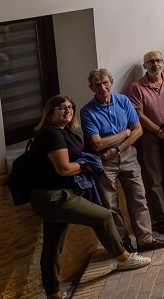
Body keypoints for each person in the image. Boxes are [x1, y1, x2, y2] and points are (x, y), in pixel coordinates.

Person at [29, 95, 151, 299]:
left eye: (70, 107)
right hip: (54, 198)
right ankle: (123, 258)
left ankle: (53, 293)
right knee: (102, 216)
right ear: (50, 112)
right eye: (62, 107)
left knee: (53, 245)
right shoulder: (51, 134)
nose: (68, 111)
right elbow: (64, 169)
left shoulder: (64, 131)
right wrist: (88, 164)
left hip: (57, 195)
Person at [80, 69, 164, 253]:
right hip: (104, 162)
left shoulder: (123, 101)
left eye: (105, 83)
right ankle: (123, 243)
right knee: (111, 204)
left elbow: (138, 130)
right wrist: (124, 133)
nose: (102, 87)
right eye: (97, 85)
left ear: (111, 81)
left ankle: (145, 239)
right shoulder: (87, 111)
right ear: (91, 87)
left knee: (139, 198)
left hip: (127, 155)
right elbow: (96, 143)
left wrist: (118, 147)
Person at [128, 51, 164, 235]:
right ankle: (160, 218)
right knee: (154, 179)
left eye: (159, 60)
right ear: (145, 65)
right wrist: (158, 130)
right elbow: (139, 114)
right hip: (150, 138)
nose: (156, 64)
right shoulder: (137, 87)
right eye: (151, 61)